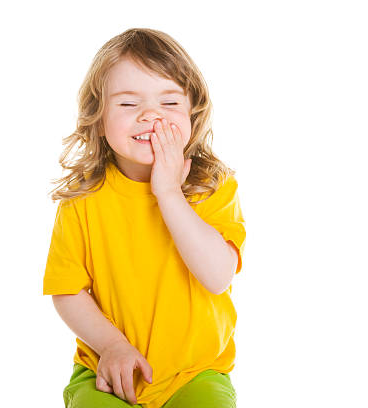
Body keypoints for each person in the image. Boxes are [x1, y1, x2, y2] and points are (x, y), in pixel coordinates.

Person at [42, 28, 246, 408]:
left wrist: (168, 192)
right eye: (127, 104)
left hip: (194, 372)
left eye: (169, 103)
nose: (150, 116)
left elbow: (218, 277)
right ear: (98, 117)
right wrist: (112, 346)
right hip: (106, 367)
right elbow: (67, 291)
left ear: (193, 112)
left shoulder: (211, 188)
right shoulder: (82, 199)